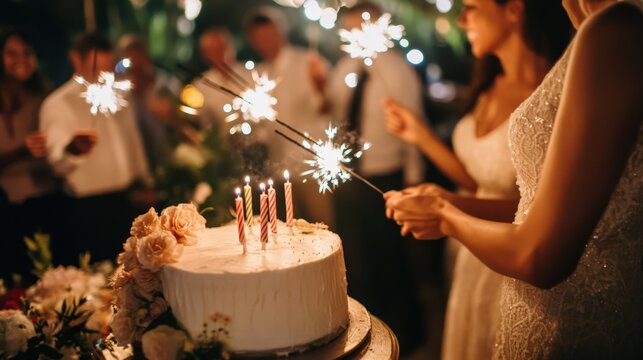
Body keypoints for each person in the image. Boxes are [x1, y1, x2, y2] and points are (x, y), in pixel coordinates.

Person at [386, 0, 642, 357]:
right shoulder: (593, 34)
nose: (461, 19)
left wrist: (445, 212)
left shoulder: (614, 30)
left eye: (472, 7)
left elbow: (540, 253)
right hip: (503, 270)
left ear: (514, 10)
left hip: (567, 314)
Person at [324, 2, 426, 353]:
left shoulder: (396, 71)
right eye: (350, 28)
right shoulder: (343, 69)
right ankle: (366, 333)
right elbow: (338, 113)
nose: (355, 34)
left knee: (390, 256)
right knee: (358, 257)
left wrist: (414, 180)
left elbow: (414, 125)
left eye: (361, 26)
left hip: (387, 175)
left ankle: (407, 332)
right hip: (351, 174)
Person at [39, 32, 151, 263]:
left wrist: (145, 179)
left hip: (127, 201)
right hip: (88, 210)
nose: (102, 75)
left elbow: (133, 141)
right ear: (76, 59)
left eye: (107, 67)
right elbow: (56, 162)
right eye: (95, 67)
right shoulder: (58, 104)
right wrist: (73, 150)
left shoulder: (121, 96)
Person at [244, 7, 334, 226]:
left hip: (311, 166)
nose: (267, 41)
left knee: (323, 228)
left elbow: (327, 109)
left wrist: (321, 87)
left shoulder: (308, 62)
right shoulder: (258, 73)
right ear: (253, 40)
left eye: (271, 34)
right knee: (292, 234)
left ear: (282, 31)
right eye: (260, 37)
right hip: (280, 168)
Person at [0, 29, 59, 282]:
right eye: (11, 54)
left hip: (47, 199)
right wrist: (21, 150)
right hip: (6, 205)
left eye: (27, 53)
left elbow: (59, 148)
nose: (20, 60)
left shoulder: (47, 97)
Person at [117, 34, 181, 173]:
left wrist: (172, 114)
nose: (135, 64)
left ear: (146, 56)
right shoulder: (121, 93)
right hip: (136, 167)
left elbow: (185, 121)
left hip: (171, 162)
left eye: (138, 57)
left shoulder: (168, 84)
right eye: (130, 60)